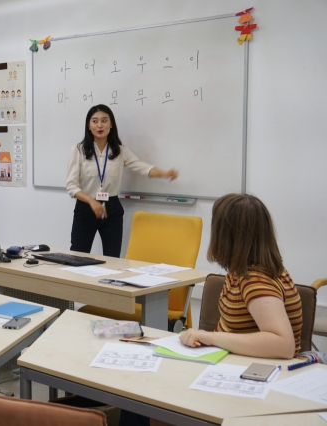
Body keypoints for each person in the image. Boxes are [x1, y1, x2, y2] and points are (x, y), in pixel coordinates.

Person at [180, 194, 302, 359]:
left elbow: (284, 345)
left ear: (225, 236)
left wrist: (212, 337)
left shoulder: (255, 281)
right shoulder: (243, 270)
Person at [66, 104, 178, 257]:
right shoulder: (78, 150)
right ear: (89, 125)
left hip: (111, 208)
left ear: (111, 124)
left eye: (104, 120)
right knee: (77, 256)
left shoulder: (120, 151)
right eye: (95, 121)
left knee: (113, 260)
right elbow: (71, 186)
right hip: (86, 208)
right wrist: (91, 202)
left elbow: (142, 167)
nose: (100, 125)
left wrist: (164, 173)